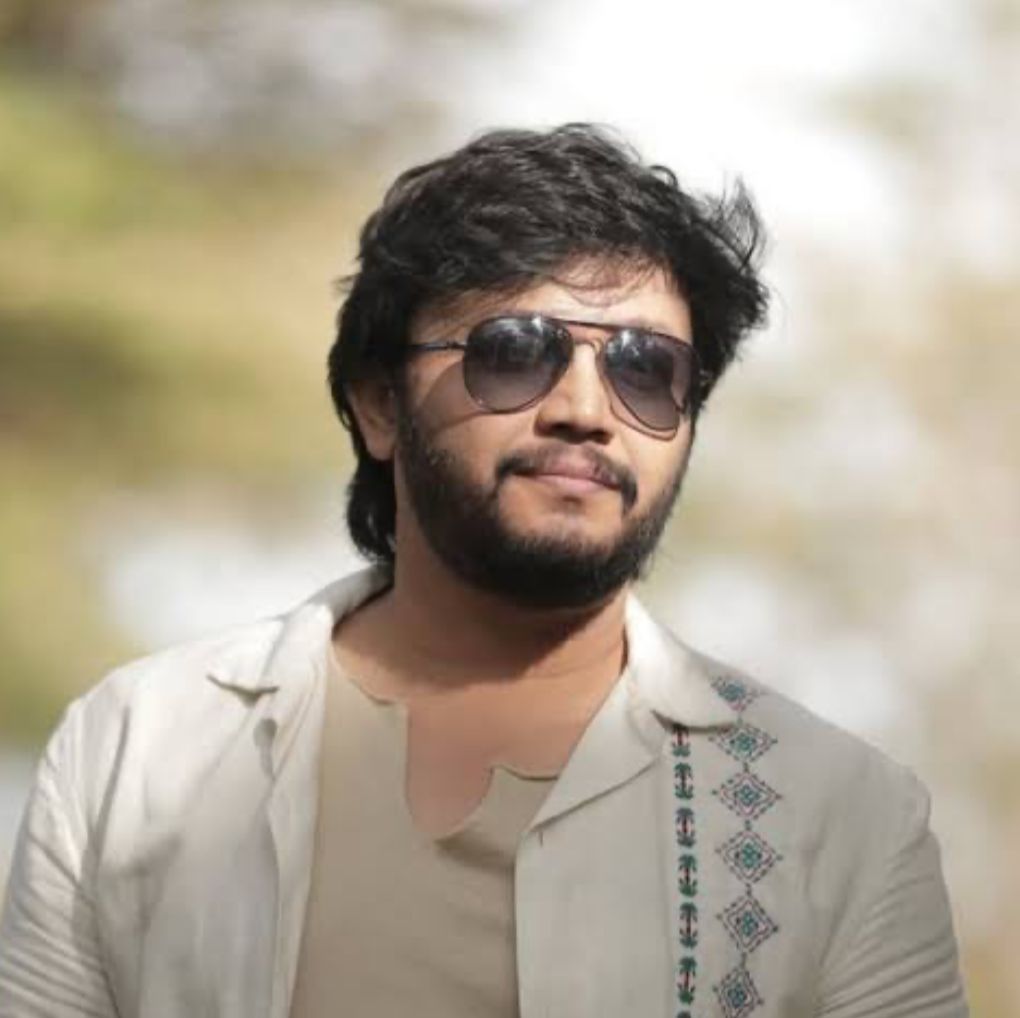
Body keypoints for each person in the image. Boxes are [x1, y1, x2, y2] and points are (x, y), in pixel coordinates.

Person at [0, 124, 968, 1018]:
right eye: (515, 353)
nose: (586, 410)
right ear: (380, 405)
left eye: (645, 369)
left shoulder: (841, 820)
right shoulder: (137, 752)